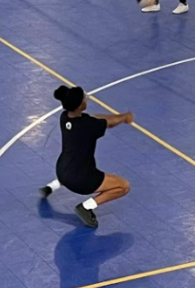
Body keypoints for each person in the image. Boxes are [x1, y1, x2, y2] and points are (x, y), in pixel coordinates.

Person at [43, 85, 133, 228]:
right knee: (124, 186)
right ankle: (86, 207)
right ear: (80, 106)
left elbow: (96, 118)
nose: (86, 100)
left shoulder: (65, 117)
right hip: (82, 180)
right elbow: (108, 123)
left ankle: (51, 186)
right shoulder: (88, 127)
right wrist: (124, 117)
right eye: (85, 99)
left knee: (71, 166)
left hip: (61, 171)